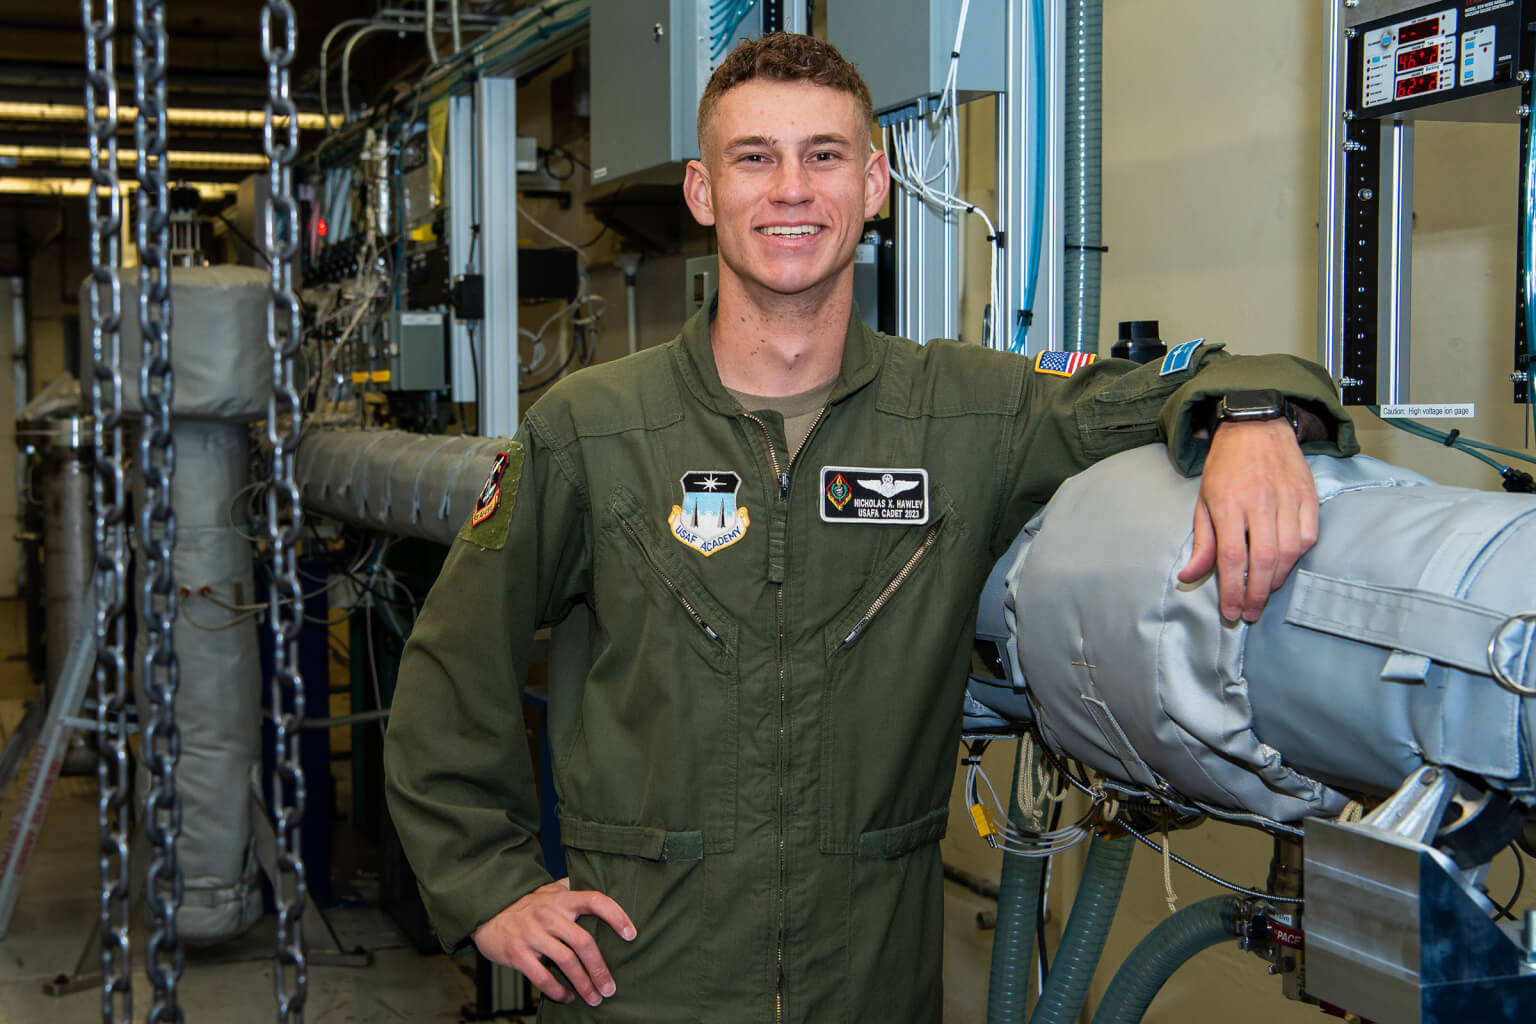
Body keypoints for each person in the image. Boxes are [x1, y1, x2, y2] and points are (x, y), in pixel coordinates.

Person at [384, 33, 1358, 1023]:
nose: (791, 189)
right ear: (702, 191)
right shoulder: (593, 428)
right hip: (641, 980)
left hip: (872, 982)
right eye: (753, 157)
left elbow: (1183, 376)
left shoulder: (966, 411)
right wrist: (487, 885)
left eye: (825, 154)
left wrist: (1251, 413)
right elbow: (454, 664)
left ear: (876, 182)